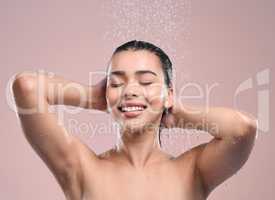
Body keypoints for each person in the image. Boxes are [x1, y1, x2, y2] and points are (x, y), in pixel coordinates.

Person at [12, 40, 257, 200]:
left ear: (169, 93)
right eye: (117, 82)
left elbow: (242, 129)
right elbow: (27, 88)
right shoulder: (82, 167)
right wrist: (94, 98)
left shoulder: (193, 170)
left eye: (146, 82)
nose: (129, 90)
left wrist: (173, 111)